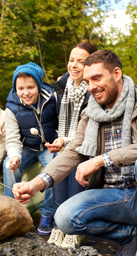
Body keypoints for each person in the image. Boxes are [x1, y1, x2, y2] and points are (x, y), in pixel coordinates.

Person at [12, 50, 137, 256]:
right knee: (64, 217)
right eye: (87, 81)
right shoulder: (90, 112)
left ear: (116, 73)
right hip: (112, 195)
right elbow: (72, 152)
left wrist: (102, 160)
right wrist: (35, 184)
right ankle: (130, 235)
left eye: (97, 78)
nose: (91, 87)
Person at [46, 42, 97, 248]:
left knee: (75, 184)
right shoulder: (61, 87)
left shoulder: (93, 91)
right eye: (71, 60)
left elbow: (88, 131)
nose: (74, 65)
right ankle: (59, 226)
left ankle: (75, 229)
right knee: (58, 182)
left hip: (84, 147)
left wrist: (65, 141)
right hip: (62, 143)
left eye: (81, 62)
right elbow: (51, 118)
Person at [3, 62, 58, 236]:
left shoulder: (53, 99)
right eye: (20, 88)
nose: (25, 92)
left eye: (30, 87)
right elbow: (12, 139)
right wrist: (14, 157)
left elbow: (62, 124)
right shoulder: (11, 108)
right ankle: (11, 212)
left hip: (49, 146)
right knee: (9, 166)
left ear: (38, 85)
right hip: (26, 147)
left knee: (54, 169)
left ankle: (47, 214)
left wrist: (58, 141)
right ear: (15, 89)